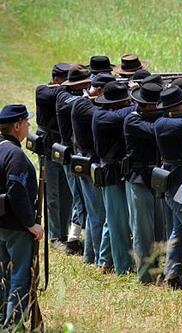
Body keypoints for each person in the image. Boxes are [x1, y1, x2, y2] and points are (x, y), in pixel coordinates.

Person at [0, 104, 43, 329]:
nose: (28, 125)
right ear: (16, 126)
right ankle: (12, 325)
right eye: (26, 122)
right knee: (19, 277)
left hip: (2, 223)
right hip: (16, 226)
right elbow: (16, 190)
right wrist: (31, 224)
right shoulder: (15, 155)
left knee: (3, 274)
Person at [124, 83, 171, 284]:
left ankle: (157, 269)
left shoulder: (155, 117)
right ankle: (145, 274)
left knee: (159, 227)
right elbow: (154, 131)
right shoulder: (132, 120)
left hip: (157, 176)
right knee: (143, 229)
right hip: (139, 176)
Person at [70, 73, 116, 270]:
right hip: (89, 163)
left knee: (94, 213)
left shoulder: (85, 103)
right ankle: (98, 258)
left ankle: (90, 256)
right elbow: (104, 115)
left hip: (86, 162)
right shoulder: (85, 105)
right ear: (98, 90)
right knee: (98, 214)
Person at [92, 81, 136, 275]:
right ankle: (122, 267)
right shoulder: (103, 116)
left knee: (113, 220)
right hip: (111, 172)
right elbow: (127, 113)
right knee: (117, 221)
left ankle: (105, 261)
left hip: (117, 170)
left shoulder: (108, 113)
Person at [154, 86, 182, 287]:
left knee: (178, 230)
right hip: (178, 184)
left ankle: (172, 273)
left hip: (173, 183)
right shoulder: (170, 123)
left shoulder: (161, 122)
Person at [34, 63, 73, 252]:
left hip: (64, 147)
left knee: (66, 192)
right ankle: (55, 236)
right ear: (56, 79)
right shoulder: (43, 91)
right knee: (52, 194)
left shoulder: (65, 92)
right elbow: (55, 95)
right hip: (48, 146)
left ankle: (64, 233)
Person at [55, 65, 90, 258]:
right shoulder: (66, 98)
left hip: (73, 154)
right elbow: (79, 104)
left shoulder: (68, 94)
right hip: (71, 155)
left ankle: (75, 237)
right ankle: (72, 240)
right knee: (79, 199)